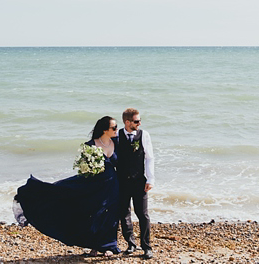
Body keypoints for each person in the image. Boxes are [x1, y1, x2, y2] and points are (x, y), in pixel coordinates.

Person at [13, 116, 121, 256]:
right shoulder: (90, 145)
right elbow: (84, 169)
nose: (117, 130)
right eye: (114, 127)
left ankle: (110, 246)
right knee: (94, 214)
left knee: (110, 214)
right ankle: (95, 246)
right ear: (105, 130)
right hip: (94, 186)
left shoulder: (117, 143)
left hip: (112, 185)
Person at [117, 108, 155, 259]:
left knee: (143, 214)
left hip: (139, 181)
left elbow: (149, 158)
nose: (140, 123)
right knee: (124, 213)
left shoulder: (144, 135)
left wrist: (151, 179)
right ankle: (131, 244)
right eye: (137, 121)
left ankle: (146, 247)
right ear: (127, 122)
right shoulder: (117, 136)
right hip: (121, 182)